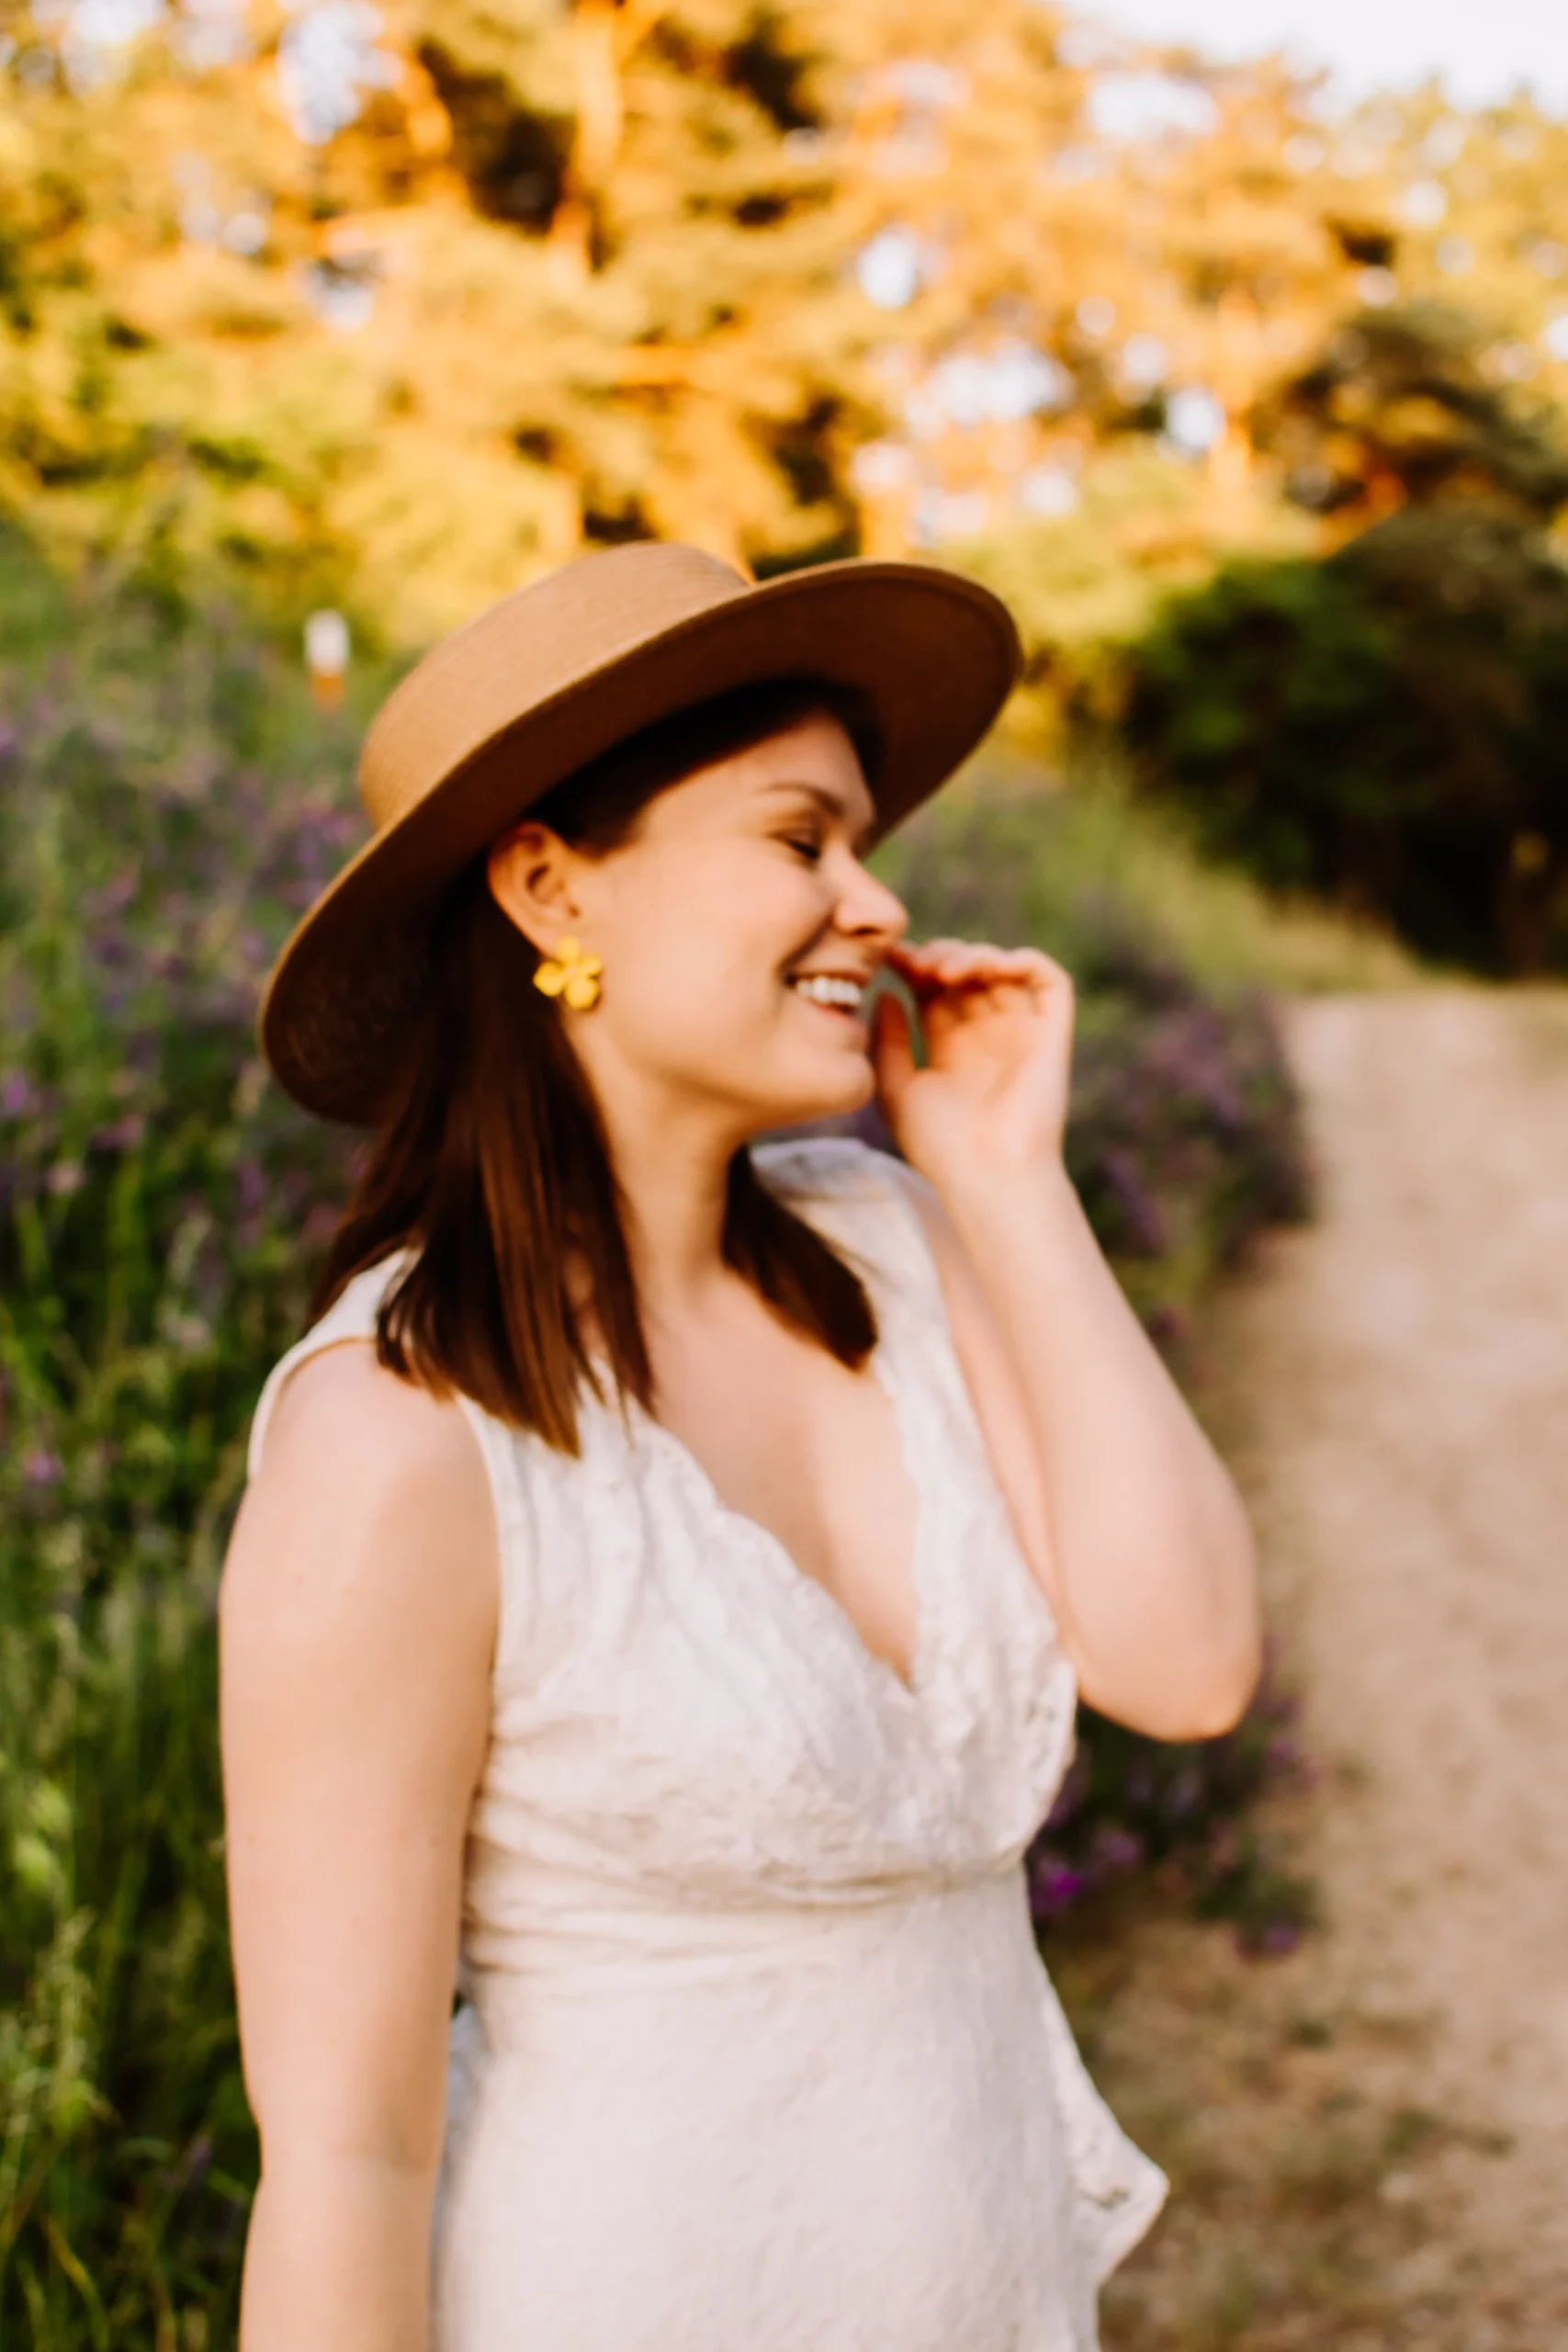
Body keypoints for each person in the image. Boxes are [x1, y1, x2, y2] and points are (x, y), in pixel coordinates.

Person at [220, 540, 1261, 2352]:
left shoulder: (899, 1248)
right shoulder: (396, 1436)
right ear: (550, 887)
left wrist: (1008, 1180)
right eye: (801, 840)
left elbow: (1186, 1665)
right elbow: (344, 2159)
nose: (876, 902)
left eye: (864, 844)